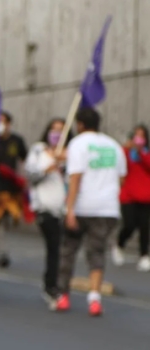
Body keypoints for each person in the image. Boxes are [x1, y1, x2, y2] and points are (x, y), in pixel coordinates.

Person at [57, 108, 126, 316]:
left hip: (83, 206)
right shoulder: (114, 145)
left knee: (69, 250)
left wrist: (69, 209)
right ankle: (94, 299)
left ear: (79, 125)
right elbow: (121, 178)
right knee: (97, 252)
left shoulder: (78, 144)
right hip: (107, 208)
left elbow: (75, 178)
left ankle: (63, 296)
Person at [25, 119, 71, 309]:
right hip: (45, 209)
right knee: (55, 246)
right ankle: (51, 286)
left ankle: (56, 285)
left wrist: (65, 162)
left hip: (64, 209)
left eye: (61, 131)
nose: (57, 134)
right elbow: (30, 174)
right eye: (54, 130)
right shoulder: (38, 150)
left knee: (62, 249)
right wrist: (48, 167)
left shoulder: (70, 152)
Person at [0, 111, 28, 265]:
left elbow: (25, 160)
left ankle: (0, 251)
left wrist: (22, 179)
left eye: (3, 121)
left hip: (10, 191)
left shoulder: (16, 141)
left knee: (3, 223)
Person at [113, 124, 150, 271]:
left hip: (146, 196)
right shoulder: (126, 152)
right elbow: (119, 163)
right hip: (128, 196)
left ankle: (144, 255)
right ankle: (119, 244)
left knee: (144, 226)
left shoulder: (146, 153)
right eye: (136, 135)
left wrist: (140, 152)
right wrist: (127, 148)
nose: (139, 139)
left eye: (142, 136)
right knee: (129, 224)